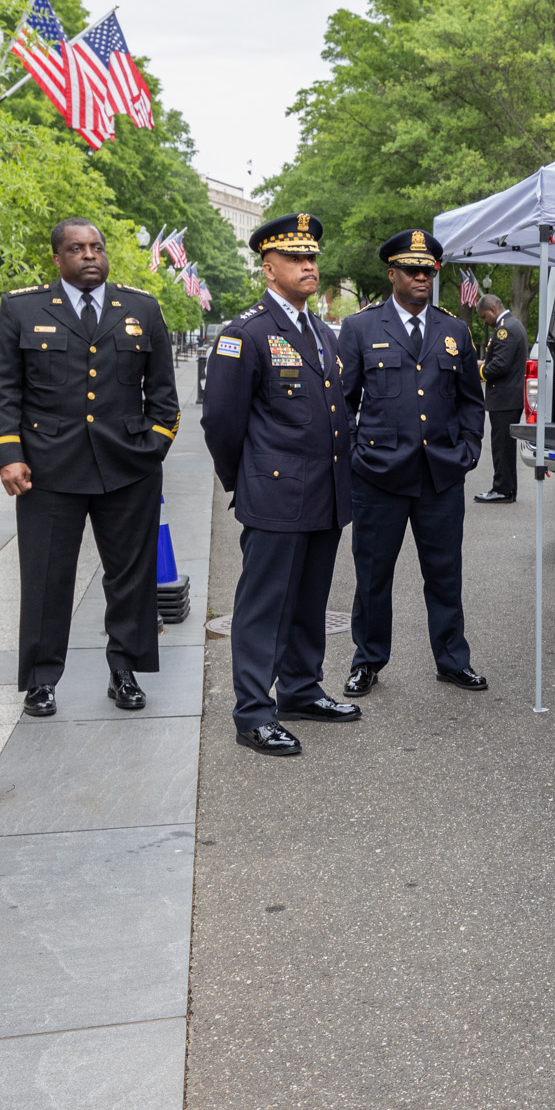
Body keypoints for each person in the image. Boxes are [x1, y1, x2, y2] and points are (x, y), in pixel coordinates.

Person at [0, 218, 180, 718]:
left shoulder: (142, 307)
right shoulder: (21, 308)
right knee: (46, 577)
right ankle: (40, 680)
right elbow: (4, 390)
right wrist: (8, 455)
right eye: (77, 249)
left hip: (128, 468)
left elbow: (163, 393)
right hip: (48, 470)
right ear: (57, 259)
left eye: (96, 247)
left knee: (131, 578)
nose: (90, 255)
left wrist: (153, 450)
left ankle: (125, 671)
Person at [202, 212, 358, 755]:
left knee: (310, 600)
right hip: (274, 494)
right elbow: (221, 421)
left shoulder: (317, 329)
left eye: (312, 257)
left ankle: (300, 689)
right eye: (296, 258)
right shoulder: (246, 332)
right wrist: (243, 481)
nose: (309, 265)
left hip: (326, 491)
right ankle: (252, 712)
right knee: (264, 605)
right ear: (269, 268)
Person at [337, 229, 487, 697]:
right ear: (393, 274)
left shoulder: (453, 329)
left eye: (428, 270)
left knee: (444, 574)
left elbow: (470, 400)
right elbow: (342, 403)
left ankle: (451, 659)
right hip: (379, 476)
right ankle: (368, 660)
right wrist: (359, 452)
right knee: (373, 576)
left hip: (439, 475)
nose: (422, 277)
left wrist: (467, 451)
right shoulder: (361, 328)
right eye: (412, 270)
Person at [473, 293, 527, 504]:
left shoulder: (505, 329)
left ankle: (502, 490)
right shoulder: (512, 324)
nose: (484, 321)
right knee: (504, 446)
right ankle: (507, 488)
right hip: (508, 397)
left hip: (505, 398)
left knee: (501, 447)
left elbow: (499, 365)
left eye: (484, 316)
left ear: (493, 309)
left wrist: (476, 373)